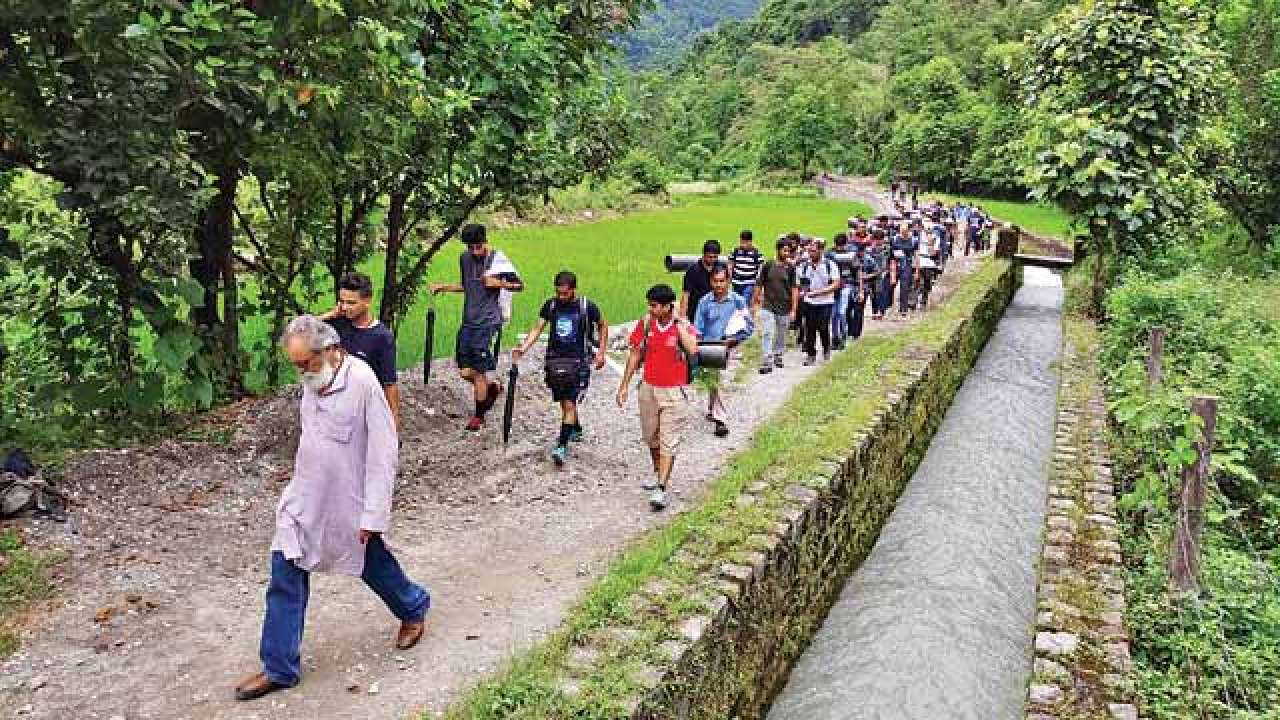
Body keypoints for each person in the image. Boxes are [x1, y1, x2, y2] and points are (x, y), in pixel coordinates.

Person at [234, 316, 429, 702]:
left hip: (347, 503)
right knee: (285, 570)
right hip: (304, 499)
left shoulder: (361, 382)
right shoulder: (313, 382)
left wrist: (374, 514)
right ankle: (280, 667)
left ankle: (413, 606)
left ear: (331, 350)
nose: (301, 371)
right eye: (296, 364)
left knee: (370, 562)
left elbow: (383, 451)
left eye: (306, 362)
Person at [429, 224, 523, 432]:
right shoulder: (464, 258)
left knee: (479, 371)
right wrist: (443, 287)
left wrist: (497, 283)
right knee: (464, 371)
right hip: (468, 321)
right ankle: (492, 388)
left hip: (488, 323)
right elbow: (467, 285)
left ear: (485, 241)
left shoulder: (497, 260)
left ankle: (479, 416)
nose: (474, 251)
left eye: (478, 246)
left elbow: (519, 286)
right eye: (470, 247)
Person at [511, 271, 608, 467]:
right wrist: (523, 348)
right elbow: (538, 328)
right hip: (555, 361)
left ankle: (561, 446)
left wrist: (601, 353)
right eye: (558, 293)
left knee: (569, 404)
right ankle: (575, 427)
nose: (561, 297)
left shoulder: (586, 306)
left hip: (578, 361)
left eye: (565, 293)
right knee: (565, 403)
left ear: (574, 290)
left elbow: (603, 326)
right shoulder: (551, 305)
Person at [616, 284, 699, 511]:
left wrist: (678, 323)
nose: (650, 309)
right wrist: (624, 385)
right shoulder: (645, 324)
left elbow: (693, 350)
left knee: (668, 440)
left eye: (654, 306)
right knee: (650, 437)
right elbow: (635, 354)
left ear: (666, 306)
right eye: (650, 305)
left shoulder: (682, 325)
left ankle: (661, 487)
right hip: (648, 389)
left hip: (673, 392)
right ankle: (656, 473)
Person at [320, 272, 400, 429]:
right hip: (335, 408)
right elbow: (300, 332)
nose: (344, 307)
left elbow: (389, 383)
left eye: (351, 303)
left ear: (367, 301)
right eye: (341, 302)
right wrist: (329, 315)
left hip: (364, 411)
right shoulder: (338, 323)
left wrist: (393, 422)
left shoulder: (381, 337)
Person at [693, 267, 753, 437]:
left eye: (722, 281)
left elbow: (748, 326)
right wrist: (697, 345)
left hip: (731, 348)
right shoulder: (704, 302)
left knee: (723, 381)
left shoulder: (738, 301)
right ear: (710, 281)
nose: (719, 285)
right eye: (715, 281)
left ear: (728, 281)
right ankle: (713, 409)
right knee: (713, 379)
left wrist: (732, 340)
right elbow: (698, 327)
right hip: (711, 347)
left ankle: (721, 420)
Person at [753, 237, 799, 374]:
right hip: (768, 305)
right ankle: (767, 359)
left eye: (788, 251)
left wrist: (793, 309)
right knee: (767, 331)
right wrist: (755, 301)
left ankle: (778, 354)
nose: (786, 253)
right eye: (784, 250)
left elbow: (794, 289)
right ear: (778, 250)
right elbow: (759, 284)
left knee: (781, 332)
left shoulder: (791, 268)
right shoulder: (768, 265)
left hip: (784, 306)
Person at [797, 237, 841, 365]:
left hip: (826, 302)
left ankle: (826, 348)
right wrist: (802, 291)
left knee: (823, 327)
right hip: (809, 302)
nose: (811, 254)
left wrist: (819, 292)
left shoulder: (830, 265)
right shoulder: (804, 266)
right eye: (810, 251)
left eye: (814, 251)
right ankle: (811, 354)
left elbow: (836, 284)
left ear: (821, 251)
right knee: (809, 328)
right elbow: (800, 283)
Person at [679, 239, 722, 321]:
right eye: (710, 257)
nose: (712, 259)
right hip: (695, 312)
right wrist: (683, 317)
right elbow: (686, 294)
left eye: (715, 257)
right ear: (704, 254)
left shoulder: (720, 268)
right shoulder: (693, 271)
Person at [828, 233, 855, 350]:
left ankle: (843, 336)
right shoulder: (828, 254)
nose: (840, 248)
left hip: (846, 285)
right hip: (833, 286)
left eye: (842, 246)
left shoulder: (851, 253)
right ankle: (835, 338)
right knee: (833, 314)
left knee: (842, 312)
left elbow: (856, 268)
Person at [728, 230, 764, 308]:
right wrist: (730, 277)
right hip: (736, 282)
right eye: (741, 242)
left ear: (750, 241)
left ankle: (744, 317)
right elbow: (731, 264)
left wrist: (757, 283)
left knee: (745, 301)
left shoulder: (757, 253)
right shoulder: (736, 251)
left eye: (745, 243)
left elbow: (760, 268)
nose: (743, 245)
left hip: (749, 283)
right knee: (735, 302)